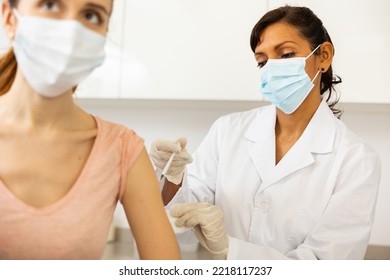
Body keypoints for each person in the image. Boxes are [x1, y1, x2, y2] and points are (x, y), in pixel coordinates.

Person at [150, 5, 381, 260]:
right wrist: (173, 179)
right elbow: (181, 226)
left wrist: (231, 251)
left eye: (285, 55)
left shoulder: (356, 160)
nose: (271, 69)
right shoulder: (227, 131)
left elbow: (325, 265)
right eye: (262, 61)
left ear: (323, 56)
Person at [0, 0, 180, 260]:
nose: (72, 29)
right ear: (9, 18)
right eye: (50, 5)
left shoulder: (122, 150)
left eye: (91, 15)